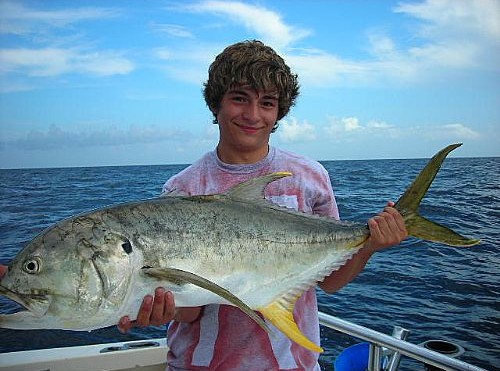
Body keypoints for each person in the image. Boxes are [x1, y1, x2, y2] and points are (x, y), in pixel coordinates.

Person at [0, 40, 406, 370]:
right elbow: (192, 309)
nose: (252, 114)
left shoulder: (309, 177)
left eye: (267, 102)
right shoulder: (184, 187)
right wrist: (162, 308)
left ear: (280, 111)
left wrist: (368, 243)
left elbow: (330, 282)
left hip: (292, 364)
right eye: (239, 99)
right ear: (216, 103)